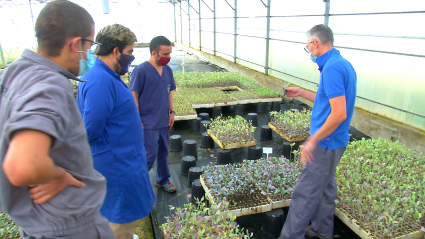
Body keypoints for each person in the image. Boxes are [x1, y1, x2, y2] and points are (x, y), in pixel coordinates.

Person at [0, 1, 116, 238]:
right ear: (75, 44)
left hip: (39, 221)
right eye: (89, 44)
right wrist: (58, 175)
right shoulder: (49, 86)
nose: (90, 54)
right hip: (68, 226)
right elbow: (22, 165)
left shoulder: (13, 73)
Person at [77, 24, 155, 239]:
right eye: (129, 52)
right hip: (117, 166)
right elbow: (90, 129)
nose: (131, 57)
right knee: (120, 220)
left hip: (122, 160)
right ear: (115, 51)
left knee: (121, 218)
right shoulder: (100, 80)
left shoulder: (104, 74)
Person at [279, 24, 357, 239]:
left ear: (315, 43)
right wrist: (302, 93)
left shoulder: (332, 68)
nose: (309, 53)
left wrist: (314, 141)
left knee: (304, 195)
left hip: (325, 144)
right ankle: (321, 230)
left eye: (307, 47)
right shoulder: (341, 63)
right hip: (336, 142)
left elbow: (339, 113)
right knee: (325, 189)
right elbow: (330, 99)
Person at [130, 36, 177, 193]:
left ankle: (163, 180)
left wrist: (172, 112)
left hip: (163, 120)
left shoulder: (168, 70)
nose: (168, 58)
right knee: (149, 155)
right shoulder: (141, 70)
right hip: (147, 121)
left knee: (163, 152)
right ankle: (136, 184)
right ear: (154, 53)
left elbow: (169, 92)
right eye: (165, 54)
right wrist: (137, 119)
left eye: (170, 53)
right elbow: (134, 95)